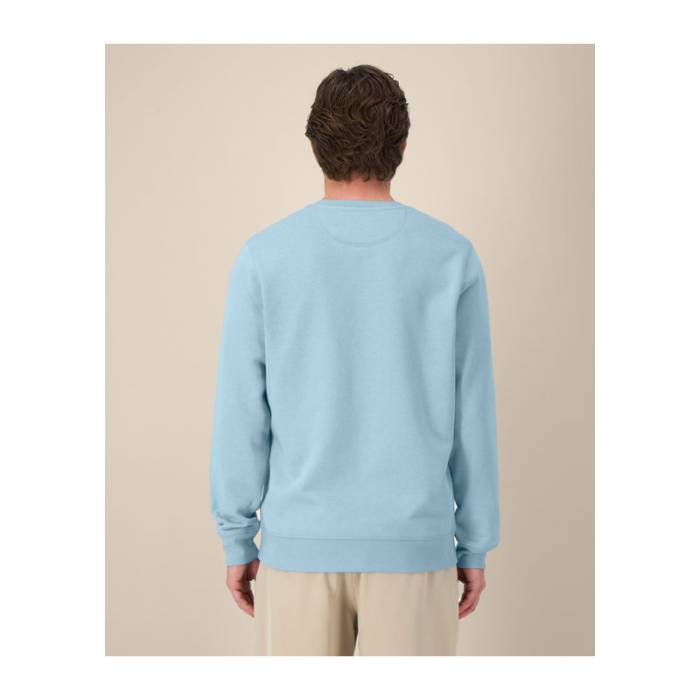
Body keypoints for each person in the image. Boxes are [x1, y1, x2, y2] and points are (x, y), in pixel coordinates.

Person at [210, 64, 500, 656]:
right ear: (402, 146)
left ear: (315, 145)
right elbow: (473, 413)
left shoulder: (265, 257)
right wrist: (473, 544)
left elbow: (241, 413)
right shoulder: (451, 257)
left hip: (299, 547)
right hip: (414, 548)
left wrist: (238, 538)